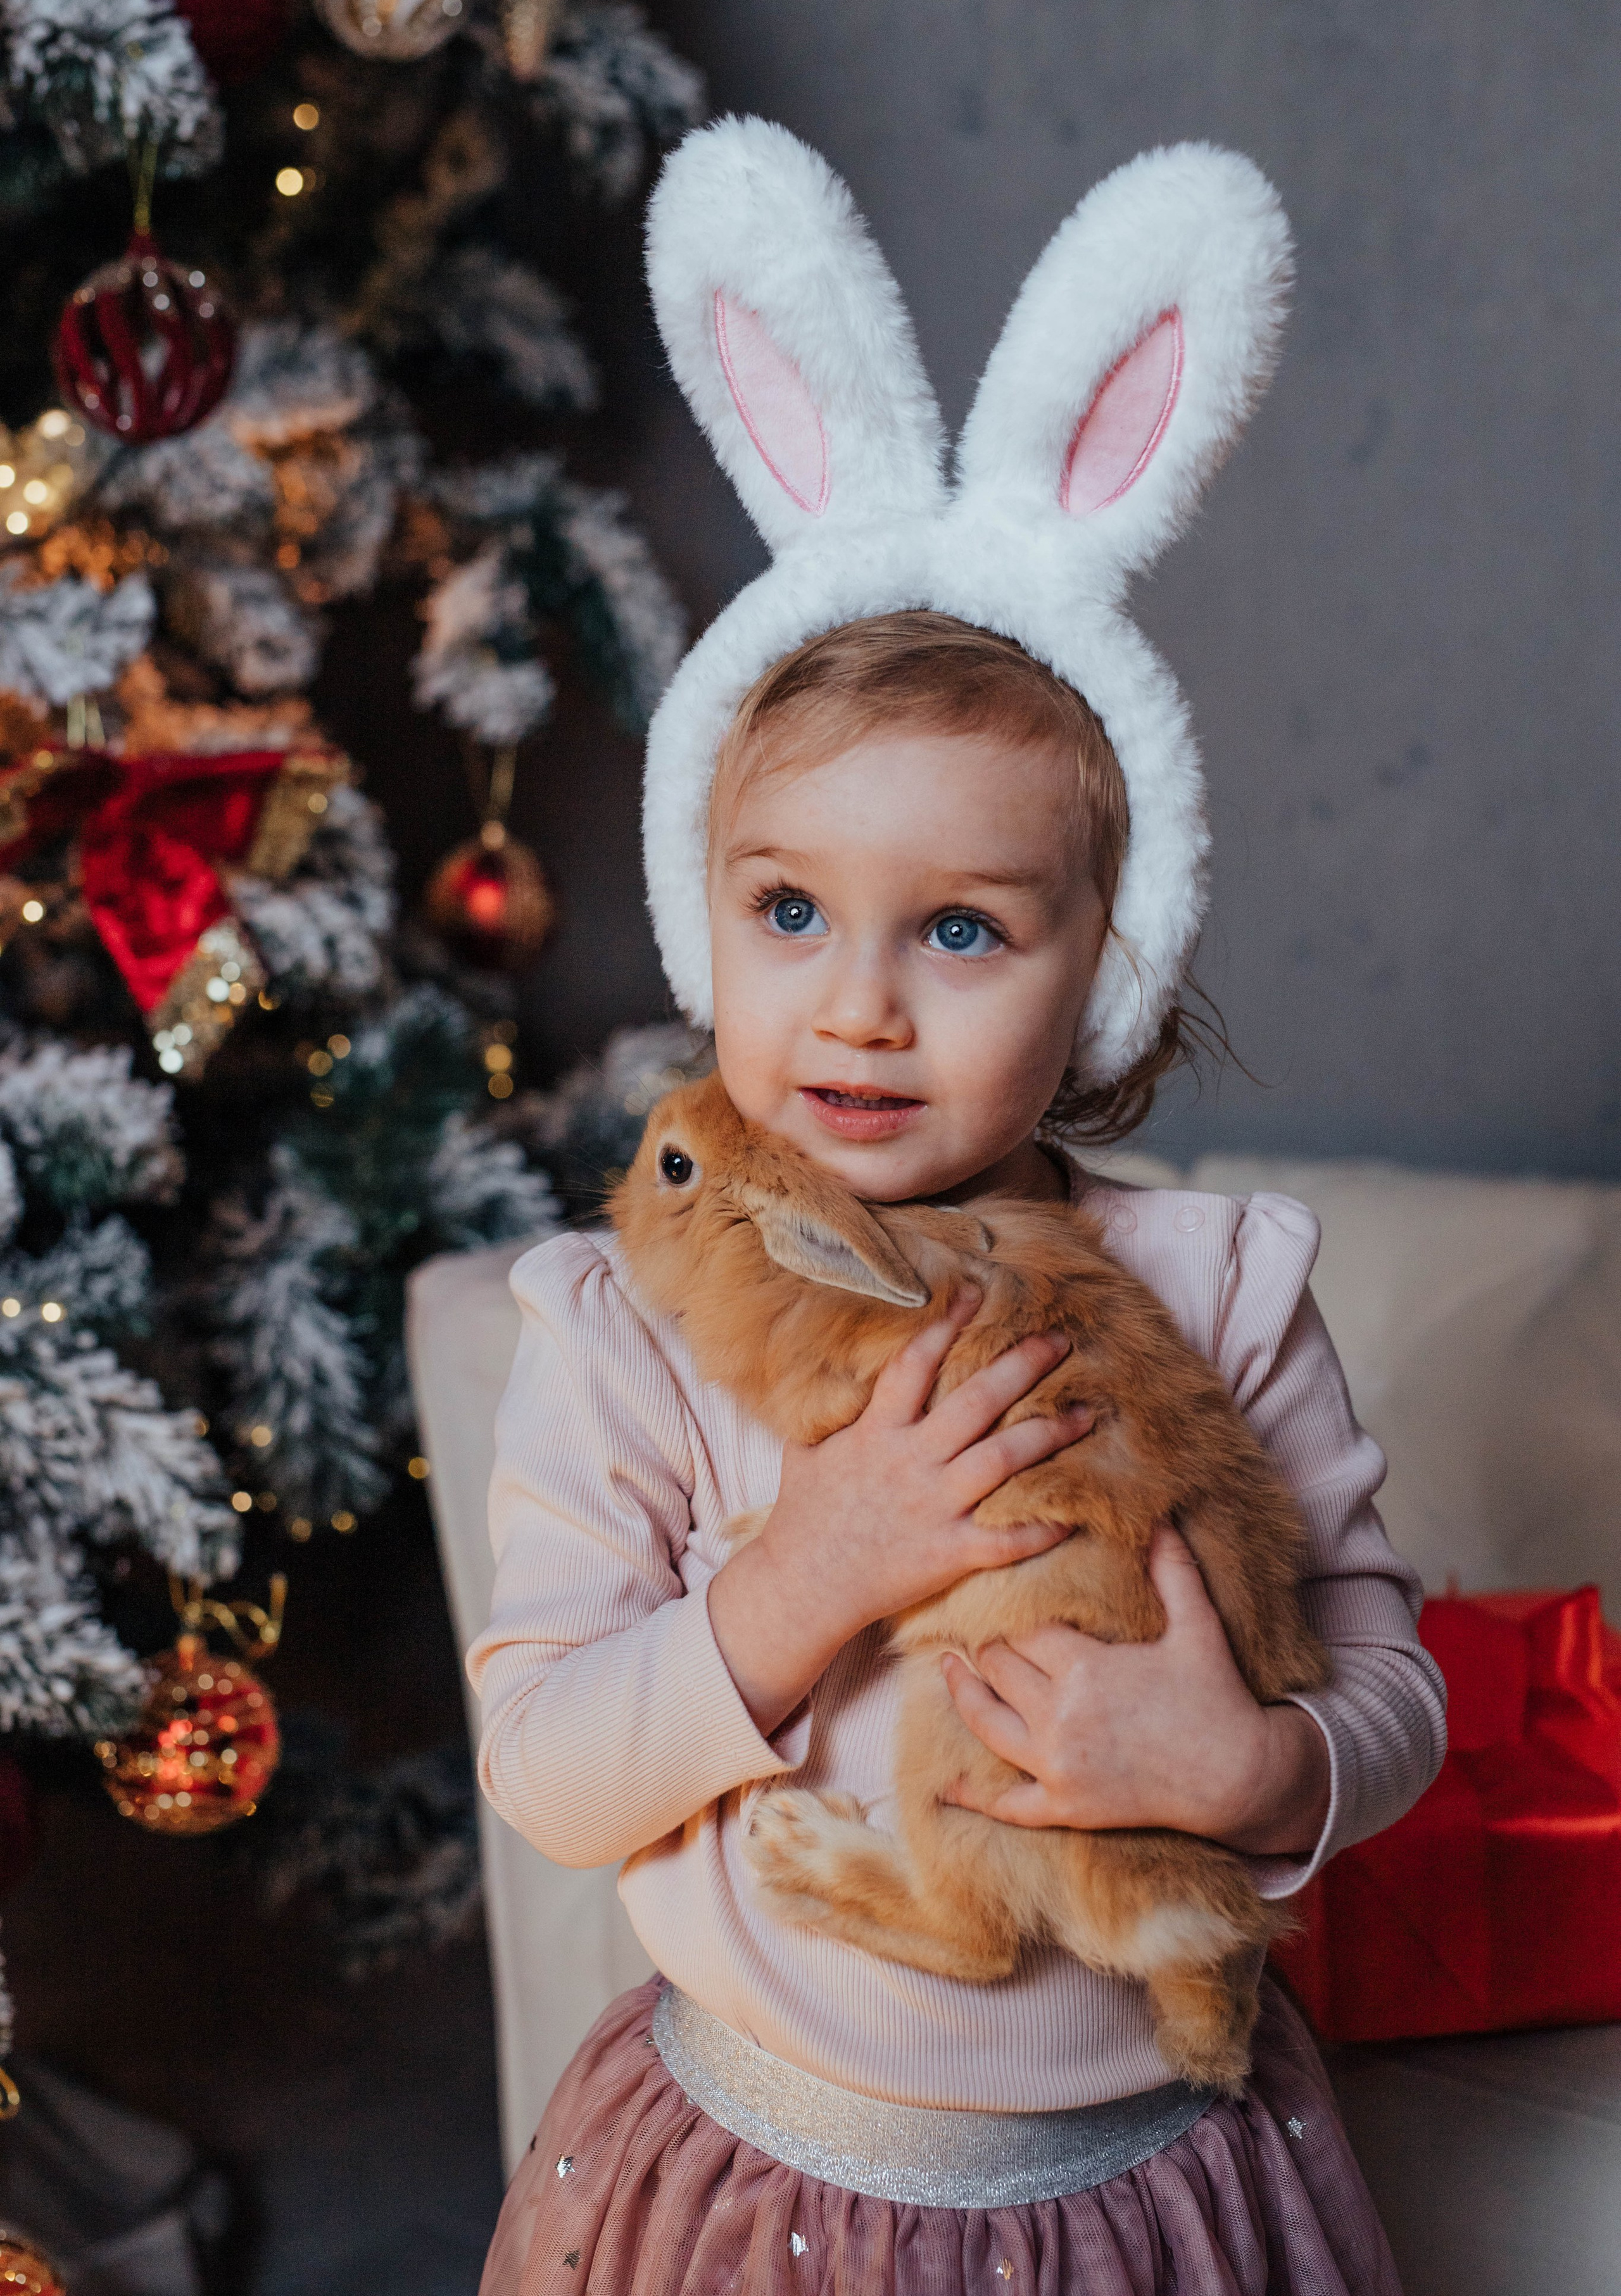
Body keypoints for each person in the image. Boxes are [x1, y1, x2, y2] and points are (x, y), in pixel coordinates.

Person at [470, 122, 1444, 2296]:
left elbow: (1398, 1684)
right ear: (700, 915)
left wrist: (1258, 1760)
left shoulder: (1214, 1292)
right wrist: (810, 1569)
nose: (864, 1010)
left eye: (968, 934)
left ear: (1105, 960)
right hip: (756, 2176)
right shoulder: (629, 1329)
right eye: (794, 909)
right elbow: (545, 1763)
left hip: (1142, 2181)